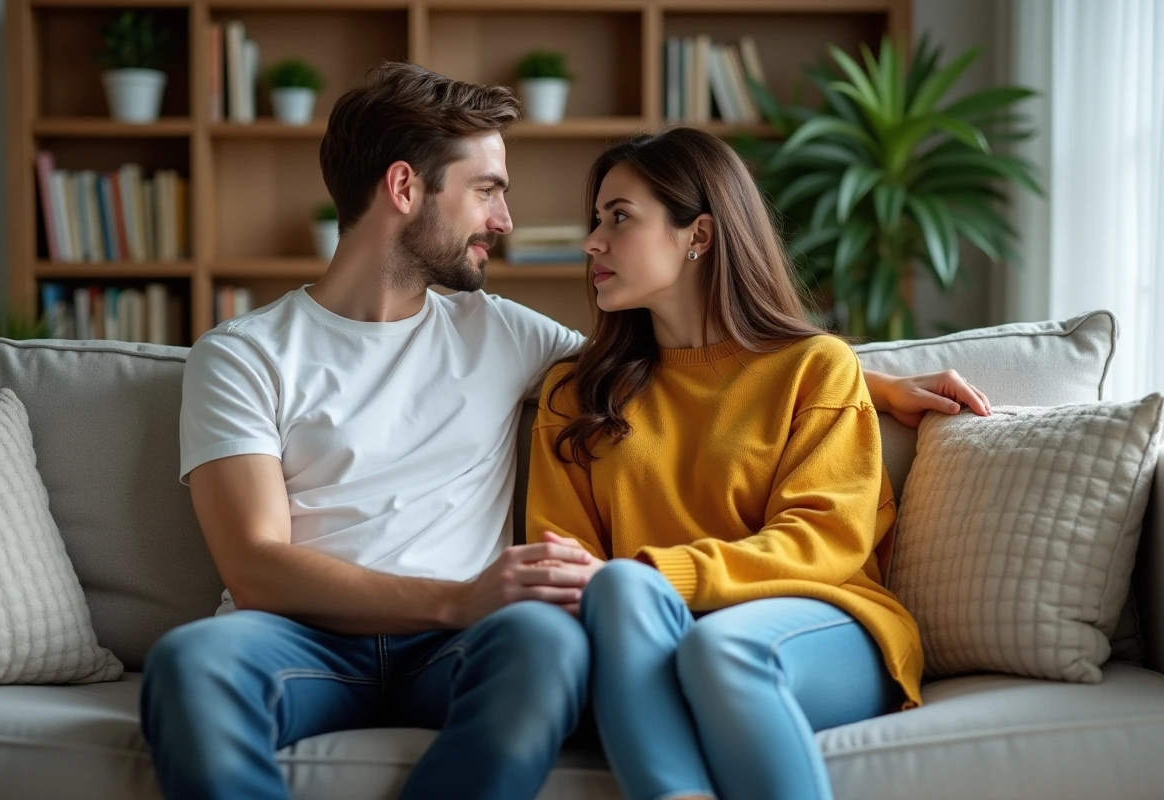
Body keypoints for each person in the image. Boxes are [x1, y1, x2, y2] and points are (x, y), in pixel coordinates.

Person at [140, 62, 987, 800]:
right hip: (309, 640)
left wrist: (868, 382)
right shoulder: (244, 355)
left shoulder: (501, 332)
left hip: (466, 646)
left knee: (546, 644)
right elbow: (254, 565)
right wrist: (452, 597)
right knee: (188, 664)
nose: (508, 220)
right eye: (488, 190)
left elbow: (697, 369)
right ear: (404, 189)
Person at [526, 126, 991, 800]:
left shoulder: (815, 367)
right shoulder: (577, 392)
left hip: (817, 619)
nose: (592, 242)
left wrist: (661, 575)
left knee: (714, 646)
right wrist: (638, 589)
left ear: (700, 236)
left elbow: (822, 542)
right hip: (647, 636)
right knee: (624, 592)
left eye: (619, 218)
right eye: (595, 220)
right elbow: (565, 563)